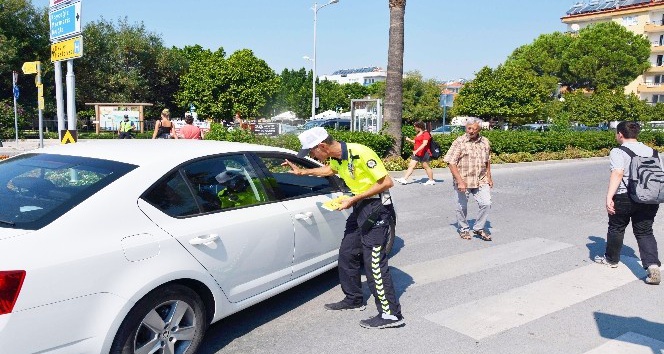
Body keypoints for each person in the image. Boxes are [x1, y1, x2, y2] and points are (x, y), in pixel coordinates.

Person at [282, 127, 404, 329]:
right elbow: (331, 170)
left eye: (312, 152)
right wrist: (304, 171)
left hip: (377, 207)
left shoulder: (361, 152)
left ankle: (391, 314)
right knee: (347, 252)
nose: (313, 156)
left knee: (373, 262)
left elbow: (386, 182)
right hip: (359, 206)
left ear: (322, 146)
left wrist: (354, 198)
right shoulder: (337, 158)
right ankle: (354, 298)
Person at [595, 121, 661, 285]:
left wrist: (609, 196)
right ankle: (652, 265)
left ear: (620, 134)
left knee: (616, 227)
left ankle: (611, 260)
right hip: (649, 197)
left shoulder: (618, 151)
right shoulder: (653, 152)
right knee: (645, 231)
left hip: (625, 196)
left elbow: (618, 173)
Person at [443, 118, 493, 241]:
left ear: (479, 129)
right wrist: (459, 181)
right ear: (465, 128)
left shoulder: (485, 142)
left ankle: (478, 228)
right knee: (461, 207)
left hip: (481, 179)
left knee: (486, 203)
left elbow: (487, 160)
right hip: (463, 180)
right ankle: (464, 229)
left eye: (474, 129)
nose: (471, 131)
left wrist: (489, 177)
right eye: (469, 128)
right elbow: (451, 162)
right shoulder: (459, 142)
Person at [395, 121, 435, 185]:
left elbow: (424, 144)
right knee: (411, 166)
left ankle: (431, 180)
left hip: (424, 153)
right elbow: (417, 142)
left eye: (415, 126)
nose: (414, 128)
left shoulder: (426, 134)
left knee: (426, 167)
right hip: (417, 153)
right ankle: (404, 179)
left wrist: (417, 150)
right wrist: (409, 140)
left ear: (419, 127)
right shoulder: (419, 133)